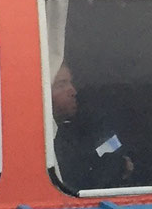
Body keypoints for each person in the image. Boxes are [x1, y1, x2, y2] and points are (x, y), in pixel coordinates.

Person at [49, 62, 134, 193]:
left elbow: (112, 146)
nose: (73, 91)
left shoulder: (87, 125)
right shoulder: (45, 139)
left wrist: (118, 162)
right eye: (61, 85)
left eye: (71, 83)